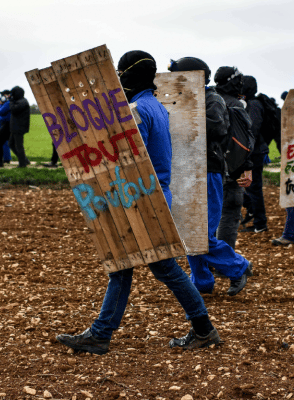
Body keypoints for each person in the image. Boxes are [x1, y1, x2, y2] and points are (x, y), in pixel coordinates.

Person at [56, 51, 220, 354]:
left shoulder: (136, 111)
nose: (118, 78)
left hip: (141, 199)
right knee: (131, 267)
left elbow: (130, 162)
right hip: (155, 196)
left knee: (153, 268)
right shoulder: (154, 106)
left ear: (128, 75)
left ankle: (201, 329)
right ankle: (103, 333)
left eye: (120, 73)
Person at [169, 57, 253, 297]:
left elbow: (217, 127)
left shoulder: (211, 98)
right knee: (187, 233)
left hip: (207, 171)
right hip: (185, 171)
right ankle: (203, 283)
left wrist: (178, 117)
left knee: (201, 234)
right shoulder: (184, 100)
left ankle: (239, 267)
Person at [213, 66, 254, 249]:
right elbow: (243, 141)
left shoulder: (207, 100)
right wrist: (247, 168)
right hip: (231, 171)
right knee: (229, 215)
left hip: (207, 168)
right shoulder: (235, 105)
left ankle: (206, 264)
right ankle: (224, 263)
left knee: (210, 216)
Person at [240, 75, 269, 233]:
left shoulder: (253, 105)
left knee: (254, 188)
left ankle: (260, 223)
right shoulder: (252, 103)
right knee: (251, 187)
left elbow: (252, 130)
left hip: (254, 152)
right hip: (255, 150)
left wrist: (246, 152)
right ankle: (255, 214)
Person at [8, 86, 31, 168]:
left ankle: (22, 164)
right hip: (16, 127)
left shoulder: (22, 102)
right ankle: (24, 160)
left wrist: (10, 101)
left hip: (19, 127)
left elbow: (13, 109)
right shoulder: (21, 101)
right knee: (11, 144)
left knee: (19, 146)